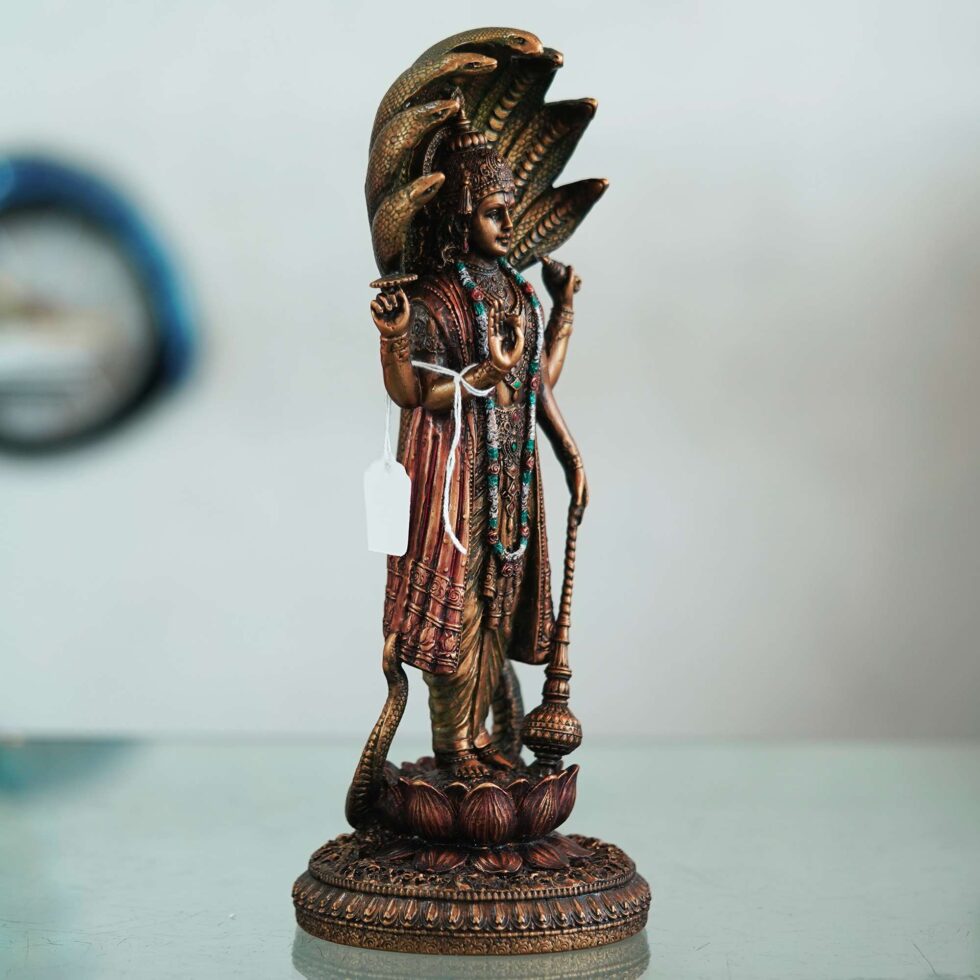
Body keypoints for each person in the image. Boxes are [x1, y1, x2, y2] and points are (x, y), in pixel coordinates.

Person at [370, 114, 588, 778]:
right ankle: (452, 746)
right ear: (462, 215)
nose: (508, 225)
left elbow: (536, 383)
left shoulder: (520, 294)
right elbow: (413, 394)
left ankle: (482, 735)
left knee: (501, 603)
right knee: (459, 608)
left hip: (512, 477)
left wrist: (570, 453)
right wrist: (398, 338)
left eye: (511, 211)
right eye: (495, 212)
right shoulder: (437, 299)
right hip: (456, 481)